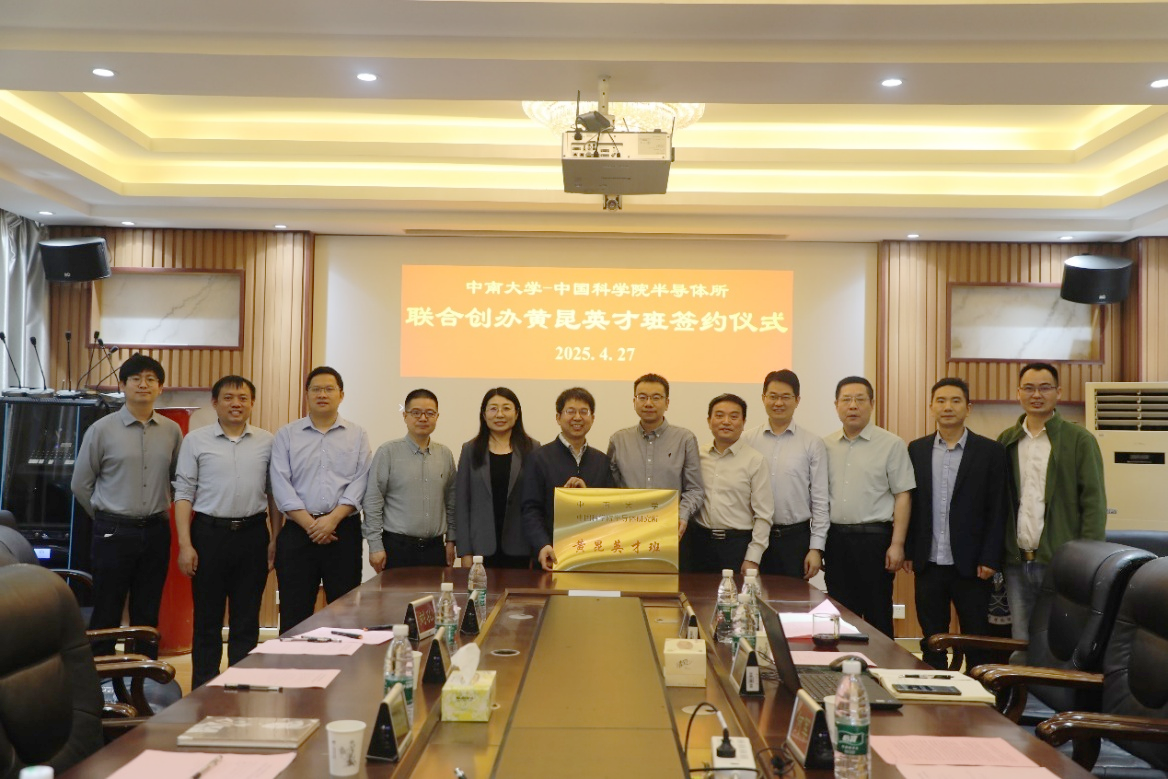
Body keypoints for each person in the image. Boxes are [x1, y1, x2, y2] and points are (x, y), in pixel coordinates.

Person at [70, 353, 183, 656]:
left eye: (151, 379)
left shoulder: (172, 431)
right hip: (113, 531)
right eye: (135, 379)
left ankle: (144, 675)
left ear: (160, 387)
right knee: (107, 608)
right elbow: (80, 484)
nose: (143, 385)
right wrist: (105, 516)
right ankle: (103, 677)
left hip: (156, 530)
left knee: (148, 610)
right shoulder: (101, 430)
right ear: (122, 385)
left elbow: (178, 479)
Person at [174, 375, 277, 688]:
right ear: (215, 403)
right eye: (229, 398)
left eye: (243, 398)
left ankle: (240, 688)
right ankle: (204, 690)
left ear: (252, 403)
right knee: (207, 618)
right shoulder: (195, 440)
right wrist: (185, 545)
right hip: (209, 534)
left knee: (247, 619)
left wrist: (275, 538)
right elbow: (184, 493)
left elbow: (273, 493)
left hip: (253, 535)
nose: (236, 403)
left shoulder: (267, 441)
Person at [997, 362, 1106, 643]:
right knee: (1021, 640)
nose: (1037, 395)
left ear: (1058, 392)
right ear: (1018, 393)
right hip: (1016, 562)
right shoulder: (1006, 441)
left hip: (1062, 563)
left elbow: (1093, 504)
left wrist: (1088, 560)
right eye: (1029, 388)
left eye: (1045, 388)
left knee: (1061, 641)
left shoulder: (1079, 440)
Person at [905, 377, 1008, 670]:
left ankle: (980, 693)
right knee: (932, 640)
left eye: (955, 401)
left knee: (976, 640)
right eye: (941, 401)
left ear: (968, 407)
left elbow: (998, 508)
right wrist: (911, 550)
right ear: (931, 407)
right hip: (929, 562)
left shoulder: (990, 452)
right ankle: (934, 692)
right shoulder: (916, 450)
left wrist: (990, 557)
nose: (947, 407)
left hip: (973, 566)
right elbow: (912, 504)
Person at [270, 366, 371, 631]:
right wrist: (311, 525)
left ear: (341, 395)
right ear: (307, 394)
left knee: (345, 614)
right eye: (316, 389)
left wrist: (332, 520)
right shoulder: (286, 434)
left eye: (329, 389)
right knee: (294, 613)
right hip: (298, 532)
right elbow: (280, 483)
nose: (322, 394)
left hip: (343, 532)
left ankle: (343, 660)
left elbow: (361, 480)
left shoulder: (357, 434)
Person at [823, 376, 915, 638]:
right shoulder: (825, 445)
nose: (853, 405)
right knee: (840, 615)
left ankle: (881, 664)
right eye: (846, 400)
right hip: (836, 540)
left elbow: (903, 495)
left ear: (872, 404)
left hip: (875, 540)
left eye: (860, 399)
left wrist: (897, 544)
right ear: (836, 405)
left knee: (877, 614)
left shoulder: (891, 444)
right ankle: (843, 663)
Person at [606, 373, 705, 569]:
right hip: (628, 534)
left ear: (667, 403)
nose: (648, 403)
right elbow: (611, 487)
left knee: (669, 587)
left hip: (671, 534)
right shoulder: (618, 440)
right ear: (634, 401)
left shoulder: (684, 439)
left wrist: (681, 516)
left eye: (656, 397)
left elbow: (695, 489)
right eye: (642, 397)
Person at [743, 369, 829, 580]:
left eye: (785, 397)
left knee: (793, 599)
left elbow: (820, 499)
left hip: (795, 540)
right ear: (763, 398)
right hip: (752, 538)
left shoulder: (812, 443)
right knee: (752, 597)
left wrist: (816, 548)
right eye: (773, 396)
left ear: (797, 400)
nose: (778, 403)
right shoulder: (747, 440)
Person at [520, 387, 615, 571]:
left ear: (593, 418)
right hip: (551, 557)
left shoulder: (602, 461)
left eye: (584, 412)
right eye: (570, 411)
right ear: (558, 417)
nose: (577, 417)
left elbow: (609, 509)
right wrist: (542, 544)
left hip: (593, 557)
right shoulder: (539, 458)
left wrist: (588, 496)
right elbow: (530, 509)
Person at [363, 389, 457, 571]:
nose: (423, 418)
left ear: (437, 417)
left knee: (434, 591)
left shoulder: (445, 454)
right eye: (416, 413)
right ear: (405, 416)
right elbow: (373, 501)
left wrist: (451, 540)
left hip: (435, 549)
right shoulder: (388, 452)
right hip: (397, 548)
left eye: (430, 413)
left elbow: (451, 502)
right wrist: (375, 546)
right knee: (395, 592)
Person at [455, 387, 538, 568]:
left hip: (522, 547)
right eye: (493, 408)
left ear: (517, 414)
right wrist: (465, 551)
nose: (500, 414)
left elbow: (537, 502)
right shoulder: (470, 450)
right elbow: (462, 504)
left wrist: (537, 549)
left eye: (506, 408)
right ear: (484, 415)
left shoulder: (532, 448)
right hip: (480, 548)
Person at [691, 394, 774, 575]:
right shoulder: (697, 455)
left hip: (737, 546)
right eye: (719, 415)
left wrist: (753, 557)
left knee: (734, 594)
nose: (726, 421)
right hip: (699, 544)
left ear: (743, 423)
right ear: (709, 421)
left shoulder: (755, 460)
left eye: (734, 416)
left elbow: (764, 514)